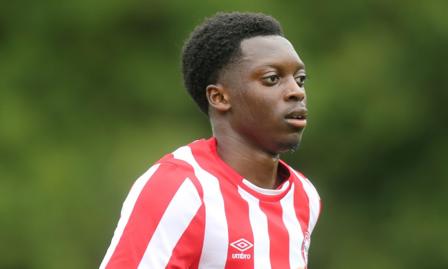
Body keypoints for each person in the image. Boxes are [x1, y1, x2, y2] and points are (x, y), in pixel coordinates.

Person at [100, 12, 321, 269]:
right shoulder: (179, 188)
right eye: (272, 78)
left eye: (300, 79)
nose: (296, 91)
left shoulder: (305, 196)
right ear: (219, 97)